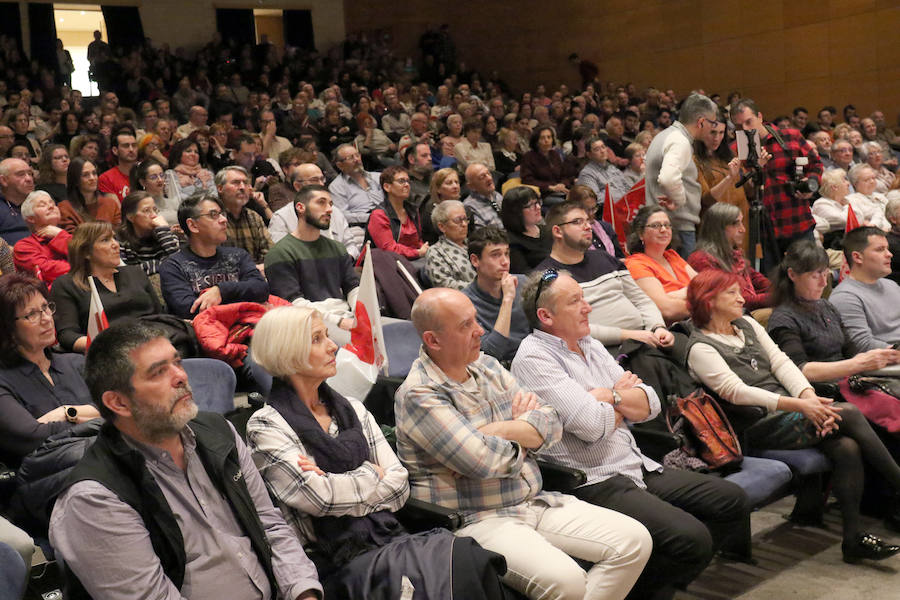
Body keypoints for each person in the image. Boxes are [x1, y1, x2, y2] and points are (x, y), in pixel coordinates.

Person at [396, 287, 652, 599]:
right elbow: (482, 462)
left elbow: (552, 422)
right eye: (466, 326)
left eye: (476, 320)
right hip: (478, 517)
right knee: (566, 580)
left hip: (533, 500)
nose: (481, 331)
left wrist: (498, 429)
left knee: (635, 541)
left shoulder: (487, 366)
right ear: (433, 340)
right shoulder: (419, 394)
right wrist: (525, 431)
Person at [513, 270, 750, 600]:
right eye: (575, 301)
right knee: (691, 539)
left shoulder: (590, 344)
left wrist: (608, 395)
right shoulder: (534, 357)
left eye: (583, 297)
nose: (588, 307)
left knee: (731, 500)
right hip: (593, 480)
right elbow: (592, 426)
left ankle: (650, 589)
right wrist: (621, 397)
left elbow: (651, 402)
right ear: (546, 316)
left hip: (636, 464)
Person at [246, 306, 507, 599]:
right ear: (286, 352)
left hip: (388, 537)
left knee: (464, 556)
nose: (334, 346)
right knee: (455, 563)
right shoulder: (266, 424)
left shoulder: (352, 408)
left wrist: (339, 484)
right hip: (335, 561)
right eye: (318, 339)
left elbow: (399, 486)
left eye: (328, 336)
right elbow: (320, 499)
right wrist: (372, 472)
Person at [49, 321, 323, 599]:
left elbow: (269, 525)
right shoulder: (94, 499)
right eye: (158, 372)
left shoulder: (219, 432)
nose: (180, 376)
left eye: (177, 362)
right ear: (119, 403)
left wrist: (304, 593)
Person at [685, 269, 900, 563]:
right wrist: (803, 407)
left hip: (792, 412)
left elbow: (783, 364)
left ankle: (853, 540)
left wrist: (810, 399)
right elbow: (737, 393)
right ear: (708, 301)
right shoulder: (699, 346)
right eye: (732, 293)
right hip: (753, 423)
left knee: (846, 446)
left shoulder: (746, 324)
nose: (742, 297)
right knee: (847, 412)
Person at [535, 201, 671, 350]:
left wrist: (658, 327)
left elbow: (641, 300)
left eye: (588, 221)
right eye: (578, 222)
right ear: (557, 231)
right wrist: (629, 335)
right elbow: (568, 327)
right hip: (604, 351)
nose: (588, 227)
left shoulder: (604, 258)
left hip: (646, 338)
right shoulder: (547, 276)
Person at [0, 273, 100, 468]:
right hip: (48, 478)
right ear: (7, 328)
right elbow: (32, 437)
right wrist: (97, 417)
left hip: (101, 462)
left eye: (45, 308)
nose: (46, 319)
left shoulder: (76, 362)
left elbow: (119, 407)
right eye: (32, 315)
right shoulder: (4, 379)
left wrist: (66, 413)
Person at [767, 240, 900, 385]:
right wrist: (858, 364)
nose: (824, 283)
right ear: (792, 275)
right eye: (815, 276)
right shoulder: (783, 318)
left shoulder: (826, 306)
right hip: (817, 391)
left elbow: (851, 351)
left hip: (848, 382)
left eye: (826, 275)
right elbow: (798, 369)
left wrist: (886, 354)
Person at [729, 98, 824, 258]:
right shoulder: (737, 150)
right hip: (764, 229)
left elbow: (815, 164)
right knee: (771, 280)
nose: (745, 129)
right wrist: (754, 169)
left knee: (808, 273)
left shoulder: (791, 136)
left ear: (760, 117)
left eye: (748, 122)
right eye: (739, 126)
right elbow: (742, 189)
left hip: (797, 220)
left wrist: (811, 183)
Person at [51, 222, 161, 353]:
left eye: (114, 238)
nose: (115, 244)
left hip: (154, 341)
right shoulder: (66, 284)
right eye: (105, 240)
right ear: (86, 252)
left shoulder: (135, 273)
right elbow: (68, 336)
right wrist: (108, 346)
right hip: (110, 352)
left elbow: (160, 315)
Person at [159, 193, 269, 319]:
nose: (224, 219)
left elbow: (261, 289)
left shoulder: (238, 255)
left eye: (222, 214)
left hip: (245, 325)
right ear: (193, 225)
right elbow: (188, 309)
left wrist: (222, 291)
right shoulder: (173, 266)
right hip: (202, 333)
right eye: (214, 215)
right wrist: (243, 300)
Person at [264, 185, 358, 331]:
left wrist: (362, 314)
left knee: (397, 330)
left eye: (330, 204)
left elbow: (353, 287)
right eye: (321, 202)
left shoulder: (337, 248)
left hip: (346, 316)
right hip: (308, 324)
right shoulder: (280, 253)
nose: (329, 209)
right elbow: (293, 304)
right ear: (300, 208)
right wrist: (339, 321)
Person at [644, 93, 721, 256]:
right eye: (712, 123)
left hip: (665, 224)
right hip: (677, 228)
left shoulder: (664, 136)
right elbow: (668, 178)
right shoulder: (680, 141)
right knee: (684, 280)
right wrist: (678, 201)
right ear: (701, 122)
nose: (712, 128)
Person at [461, 226, 530, 363]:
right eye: (495, 255)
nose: (505, 262)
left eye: (507, 254)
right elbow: (491, 353)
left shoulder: (523, 283)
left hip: (534, 357)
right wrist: (508, 299)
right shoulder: (466, 303)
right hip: (501, 369)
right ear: (475, 260)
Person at [689, 202, 772, 312]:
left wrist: (784, 290)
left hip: (747, 311)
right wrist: (775, 297)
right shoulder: (702, 260)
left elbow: (759, 280)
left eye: (741, 223)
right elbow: (731, 300)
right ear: (718, 228)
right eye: (736, 224)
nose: (743, 229)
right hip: (731, 316)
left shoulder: (734, 254)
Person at [830, 226, 900, 351]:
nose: (889, 254)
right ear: (857, 257)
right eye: (880, 250)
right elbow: (862, 344)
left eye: (887, 249)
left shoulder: (892, 285)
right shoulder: (845, 297)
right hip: (885, 363)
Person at [625, 206, 697, 323]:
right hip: (673, 331)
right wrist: (700, 300)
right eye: (655, 225)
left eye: (667, 225)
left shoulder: (672, 255)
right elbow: (666, 310)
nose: (664, 229)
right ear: (640, 234)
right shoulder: (635, 264)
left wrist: (671, 295)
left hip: (695, 321)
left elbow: (706, 286)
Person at [366, 166, 427, 262]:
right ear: (387, 187)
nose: (407, 185)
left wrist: (424, 249)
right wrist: (417, 252)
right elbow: (388, 249)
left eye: (408, 181)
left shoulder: (413, 210)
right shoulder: (379, 214)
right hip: (388, 263)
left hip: (413, 259)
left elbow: (418, 241)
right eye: (401, 181)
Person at [216, 165, 273, 266]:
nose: (242, 187)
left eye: (246, 183)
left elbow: (270, 253)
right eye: (236, 183)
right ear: (220, 188)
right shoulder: (213, 217)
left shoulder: (254, 217)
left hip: (256, 275)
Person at [116, 190, 180, 276]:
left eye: (155, 210)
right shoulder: (120, 241)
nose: (154, 215)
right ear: (131, 217)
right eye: (146, 210)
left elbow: (180, 265)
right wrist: (157, 264)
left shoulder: (164, 234)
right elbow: (128, 275)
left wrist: (164, 231)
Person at [13, 190, 71, 285]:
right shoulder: (24, 246)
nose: (51, 206)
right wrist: (84, 266)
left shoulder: (68, 236)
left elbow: (89, 254)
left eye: (52, 203)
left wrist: (61, 235)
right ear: (31, 218)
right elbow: (47, 270)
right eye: (42, 205)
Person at [328, 143, 383, 234]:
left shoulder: (378, 177)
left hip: (388, 220)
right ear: (340, 165)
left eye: (357, 155)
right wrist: (369, 217)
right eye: (350, 158)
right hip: (362, 227)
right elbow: (342, 215)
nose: (356, 160)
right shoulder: (336, 187)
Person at [58, 158, 121, 233]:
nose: (92, 178)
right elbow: (72, 239)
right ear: (75, 180)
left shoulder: (110, 204)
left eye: (94, 173)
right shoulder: (65, 208)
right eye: (85, 175)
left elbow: (118, 233)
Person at [424, 199, 475, 289]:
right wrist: (481, 288)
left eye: (465, 219)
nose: (464, 224)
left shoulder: (475, 242)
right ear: (442, 227)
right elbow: (444, 284)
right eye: (458, 220)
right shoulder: (435, 252)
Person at [501, 185, 551, 273]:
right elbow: (525, 275)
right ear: (516, 212)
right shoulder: (511, 242)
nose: (538, 207)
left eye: (538, 202)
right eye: (531, 205)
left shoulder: (547, 230)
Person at [520, 126, 578, 203]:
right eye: (542, 138)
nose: (546, 140)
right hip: (543, 193)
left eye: (549, 137)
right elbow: (527, 180)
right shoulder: (529, 157)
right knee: (566, 203)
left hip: (560, 190)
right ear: (536, 141)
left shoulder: (555, 154)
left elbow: (564, 175)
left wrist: (562, 184)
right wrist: (550, 187)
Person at [567, 184, 626, 259]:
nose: (591, 214)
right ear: (572, 209)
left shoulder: (606, 227)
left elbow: (619, 257)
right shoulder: (568, 235)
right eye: (587, 209)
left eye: (593, 209)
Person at [575, 136, 631, 207]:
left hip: (625, 205)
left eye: (603, 147)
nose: (602, 151)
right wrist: (620, 194)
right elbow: (595, 199)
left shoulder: (612, 167)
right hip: (606, 211)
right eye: (597, 149)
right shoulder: (587, 173)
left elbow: (627, 186)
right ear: (589, 155)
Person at [164, 138, 217, 205]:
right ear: (179, 155)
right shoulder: (171, 174)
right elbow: (176, 199)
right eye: (188, 151)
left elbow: (214, 196)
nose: (193, 154)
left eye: (196, 152)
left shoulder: (207, 173)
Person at [421, 167, 461, 244]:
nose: (455, 186)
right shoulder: (430, 213)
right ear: (438, 189)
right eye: (449, 183)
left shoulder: (464, 209)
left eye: (457, 182)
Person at [98, 128, 138, 204]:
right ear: (115, 150)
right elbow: (115, 212)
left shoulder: (145, 172)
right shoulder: (106, 179)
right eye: (126, 146)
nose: (131, 149)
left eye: (134, 145)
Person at [0, 158, 35, 245]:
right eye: (21, 174)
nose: (29, 179)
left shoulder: (41, 202)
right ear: (4, 180)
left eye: (30, 174)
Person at [812, 169, 854, 239]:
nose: (848, 183)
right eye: (844, 181)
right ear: (834, 187)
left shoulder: (847, 200)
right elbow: (844, 220)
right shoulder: (821, 204)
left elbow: (861, 217)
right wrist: (847, 206)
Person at [846, 164, 890, 231]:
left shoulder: (880, 196)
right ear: (855, 183)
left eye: (873, 178)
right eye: (866, 180)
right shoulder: (852, 200)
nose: (872, 181)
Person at [463, 162, 504, 228]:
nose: (489, 178)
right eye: (482, 177)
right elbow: (482, 236)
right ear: (471, 186)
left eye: (488, 173)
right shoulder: (469, 207)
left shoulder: (497, 195)